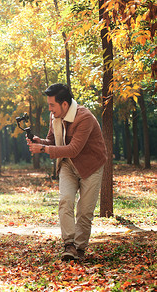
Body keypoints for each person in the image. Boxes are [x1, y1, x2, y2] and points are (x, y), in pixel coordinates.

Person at [27, 83, 107, 261]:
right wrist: (40, 142)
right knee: (65, 200)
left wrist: (43, 149)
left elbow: (74, 149)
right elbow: (52, 140)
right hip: (68, 165)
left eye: (52, 105)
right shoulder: (54, 116)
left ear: (64, 104)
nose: (49, 109)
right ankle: (69, 245)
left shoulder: (84, 117)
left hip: (91, 166)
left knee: (85, 211)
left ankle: (80, 248)